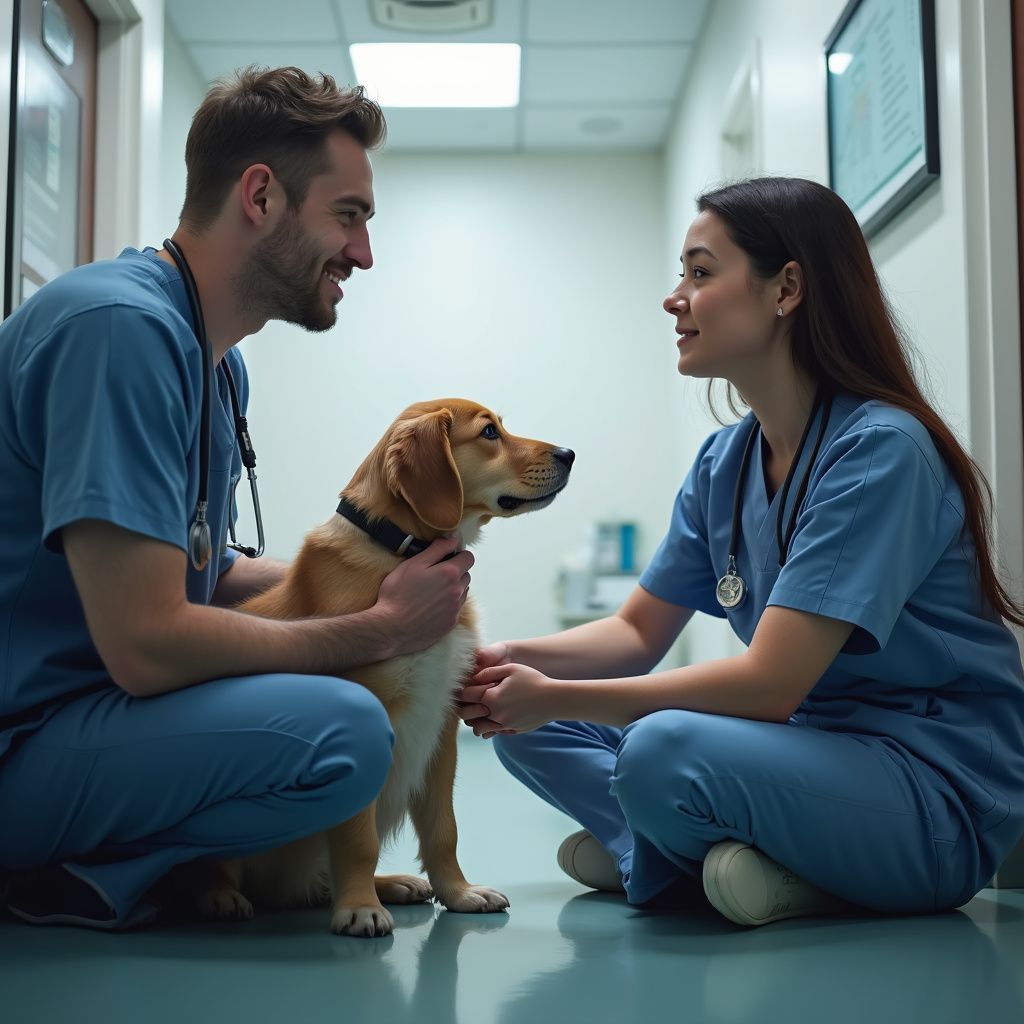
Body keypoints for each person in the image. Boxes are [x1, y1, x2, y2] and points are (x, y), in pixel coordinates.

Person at [458, 176, 1024, 927]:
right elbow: (633, 636)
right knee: (524, 732)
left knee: (658, 751)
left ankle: (658, 857)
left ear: (786, 288)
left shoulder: (880, 451)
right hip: (805, 757)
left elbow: (771, 685)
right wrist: (492, 662)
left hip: (926, 794)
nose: (674, 298)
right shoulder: (724, 463)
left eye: (699, 273)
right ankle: (681, 856)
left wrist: (554, 693)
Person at [0, 66, 474, 929]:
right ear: (260, 195)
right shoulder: (121, 333)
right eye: (349, 216)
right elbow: (148, 642)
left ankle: (121, 870)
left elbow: (202, 575)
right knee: (347, 732)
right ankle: (68, 867)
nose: (363, 254)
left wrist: (381, 589)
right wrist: (378, 631)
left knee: (353, 717)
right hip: (26, 742)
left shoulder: (216, 364)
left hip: (100, 721)